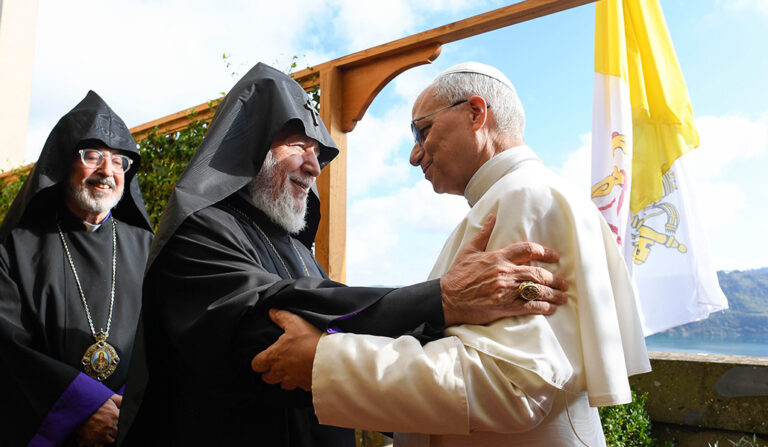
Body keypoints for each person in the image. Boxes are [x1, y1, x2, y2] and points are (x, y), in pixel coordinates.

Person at [117, 62, 571, 447]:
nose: (314, 166)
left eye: (318, 152)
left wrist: (445, 317)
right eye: (298, 145)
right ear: (247, 149)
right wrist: (442, 298)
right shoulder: (199, 234)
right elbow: (268, 332)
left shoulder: (295, 248)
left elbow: (348, 323)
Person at [252, 62, 652, 446]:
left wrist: (324, 360)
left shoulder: (523, 197)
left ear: (476, 113)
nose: (414, 154)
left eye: (422, 130)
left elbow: (511, 385)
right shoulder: (517, 196)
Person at [0, 91, 153, 446]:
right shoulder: (16, 247)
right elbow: (8, 346)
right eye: (93, 156)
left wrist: (125, 407)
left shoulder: (148, 248)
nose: (107, 171)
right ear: (63, 162)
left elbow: (165, 335)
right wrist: (82, 408)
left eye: (119, 161)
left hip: (130, 425)